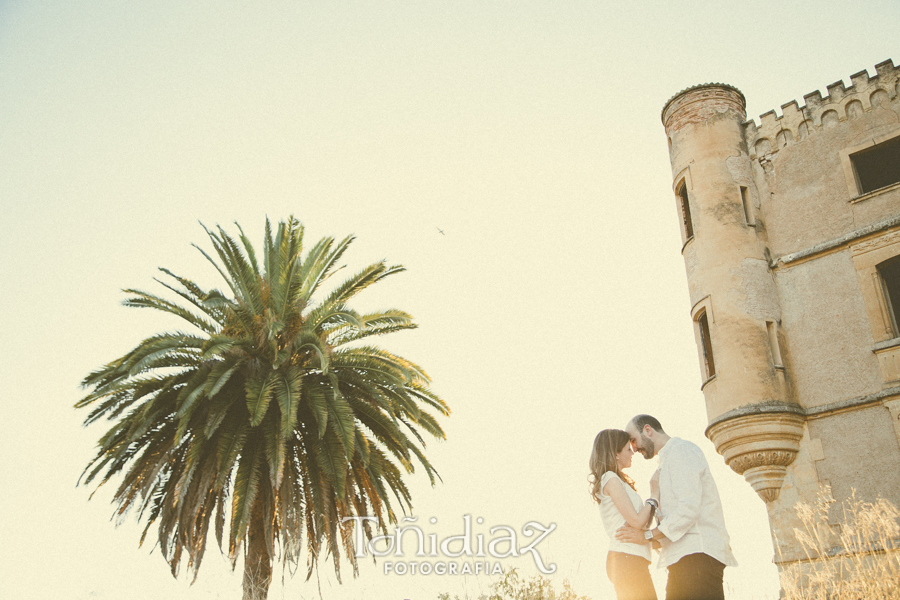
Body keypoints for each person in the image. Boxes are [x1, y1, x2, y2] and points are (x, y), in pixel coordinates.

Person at [615, 415, 737, 600]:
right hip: (682, 559)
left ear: (648, 430)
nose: (633, 447)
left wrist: (647, 536)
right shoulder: (664, 463)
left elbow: (688, 510)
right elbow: (673, 520)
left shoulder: (681, 451)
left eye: (633, 440)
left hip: (697, 556)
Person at [589, 429, 660, 600]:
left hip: (630, 558)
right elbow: (637, 521)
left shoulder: (617, 480)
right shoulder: (610, 478)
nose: (632, 452)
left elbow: (641, 524)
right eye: (628, 449)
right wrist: (654, 496)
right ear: (616, 454)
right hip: (626, 558)